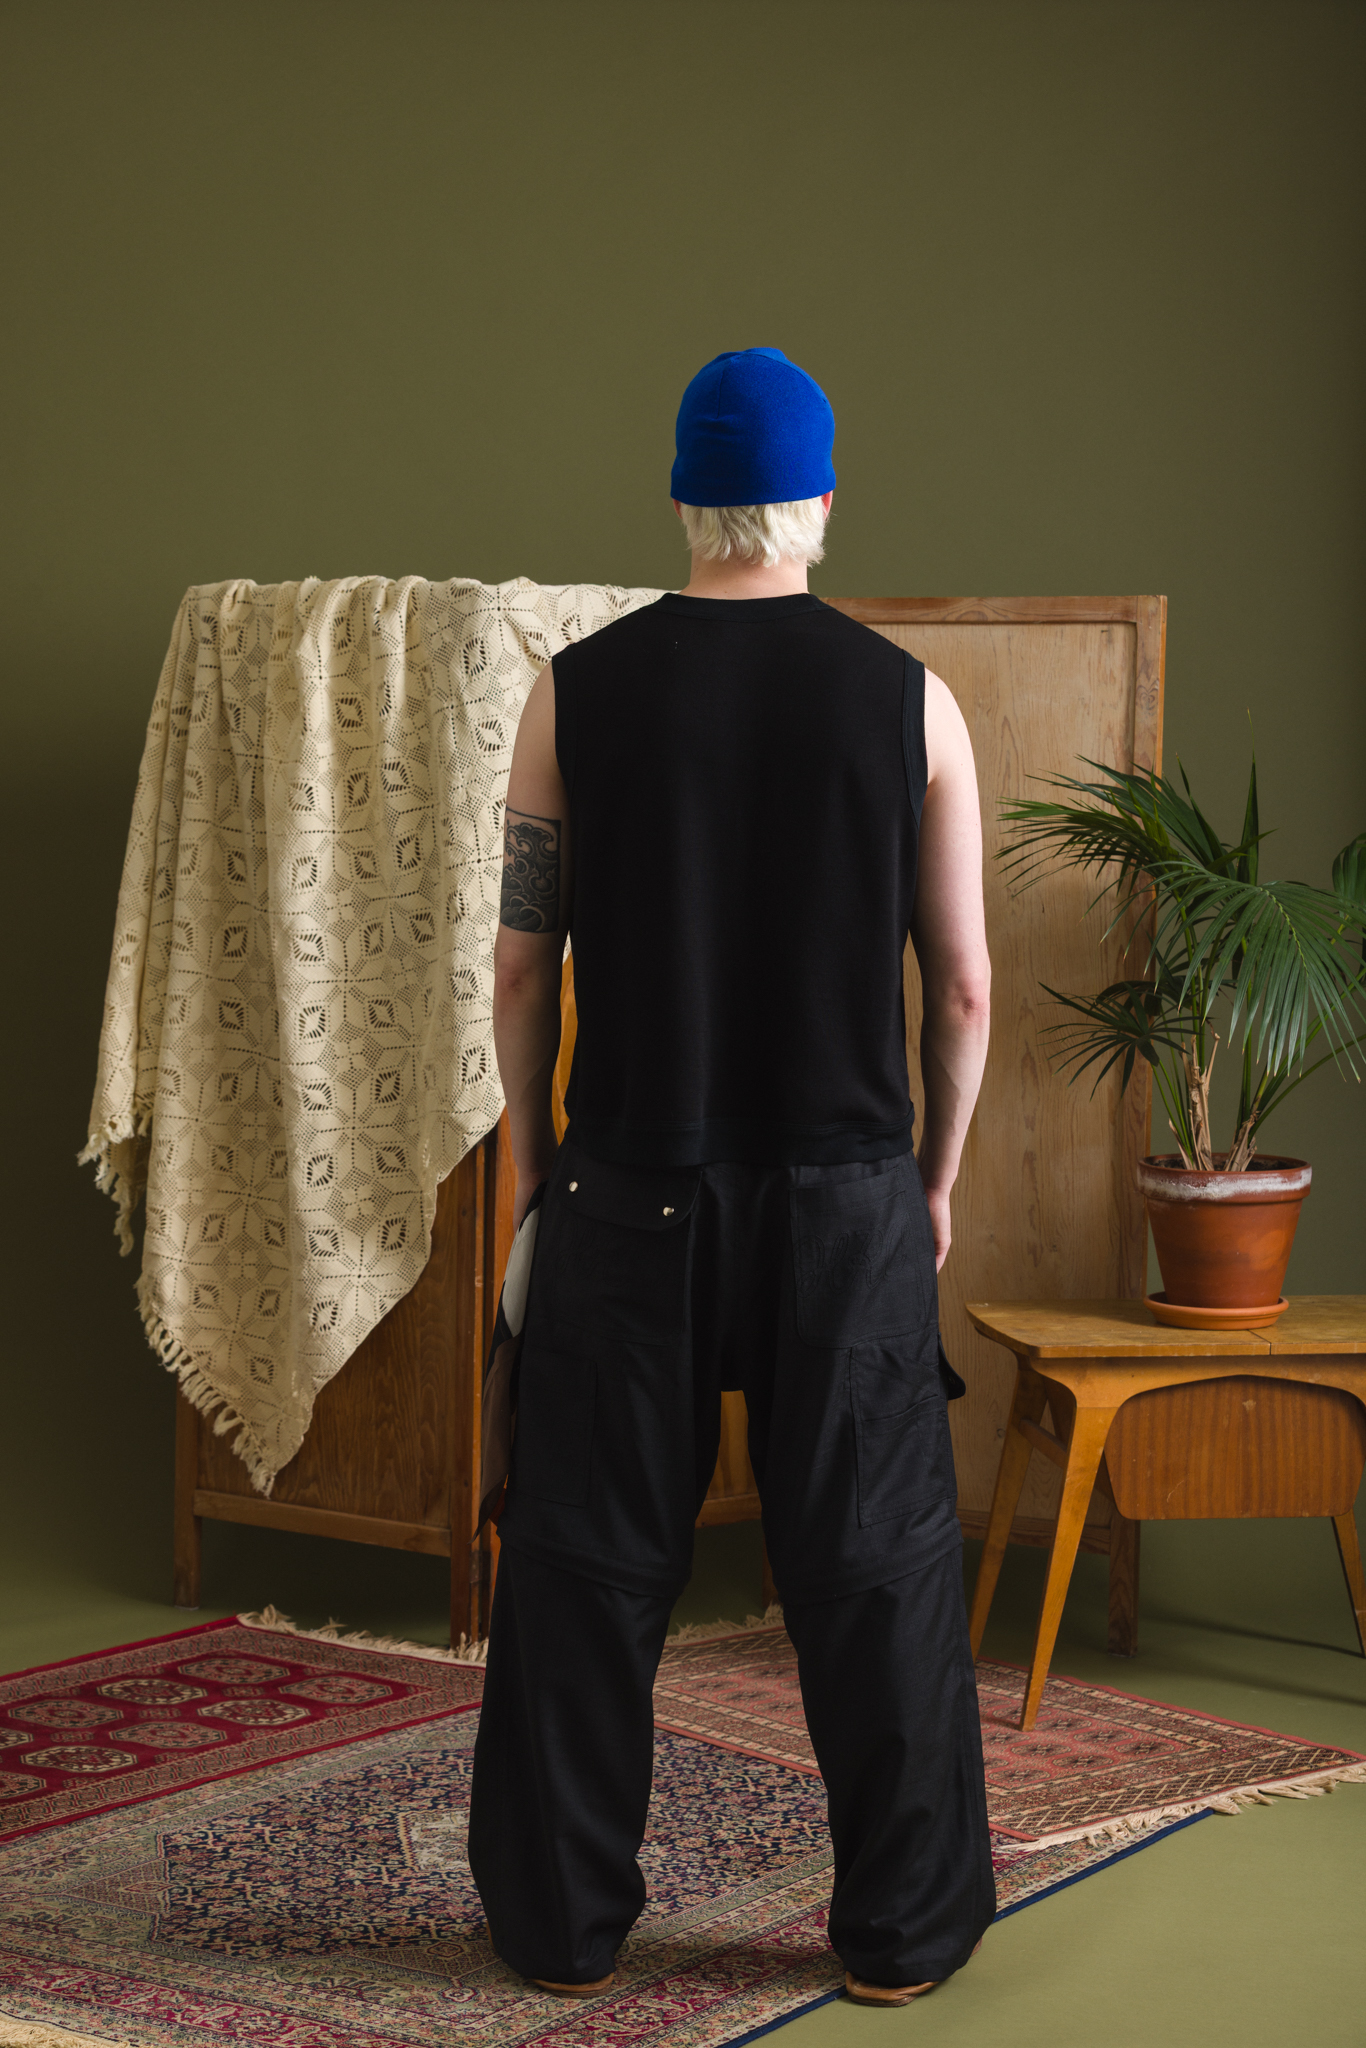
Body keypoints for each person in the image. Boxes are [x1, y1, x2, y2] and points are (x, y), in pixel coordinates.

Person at [467, 347, 995, 2007]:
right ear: (821, 501)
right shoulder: (911, 702)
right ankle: (899, 1940)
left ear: (683, 501)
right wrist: (929, 1183)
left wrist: (538, 1169)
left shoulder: (573, 693)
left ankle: (560, 1934)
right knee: (876, 1565)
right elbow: (961, 990)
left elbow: (519, 965)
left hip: (628, 1191)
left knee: (583, 1566)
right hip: (844, 1198)